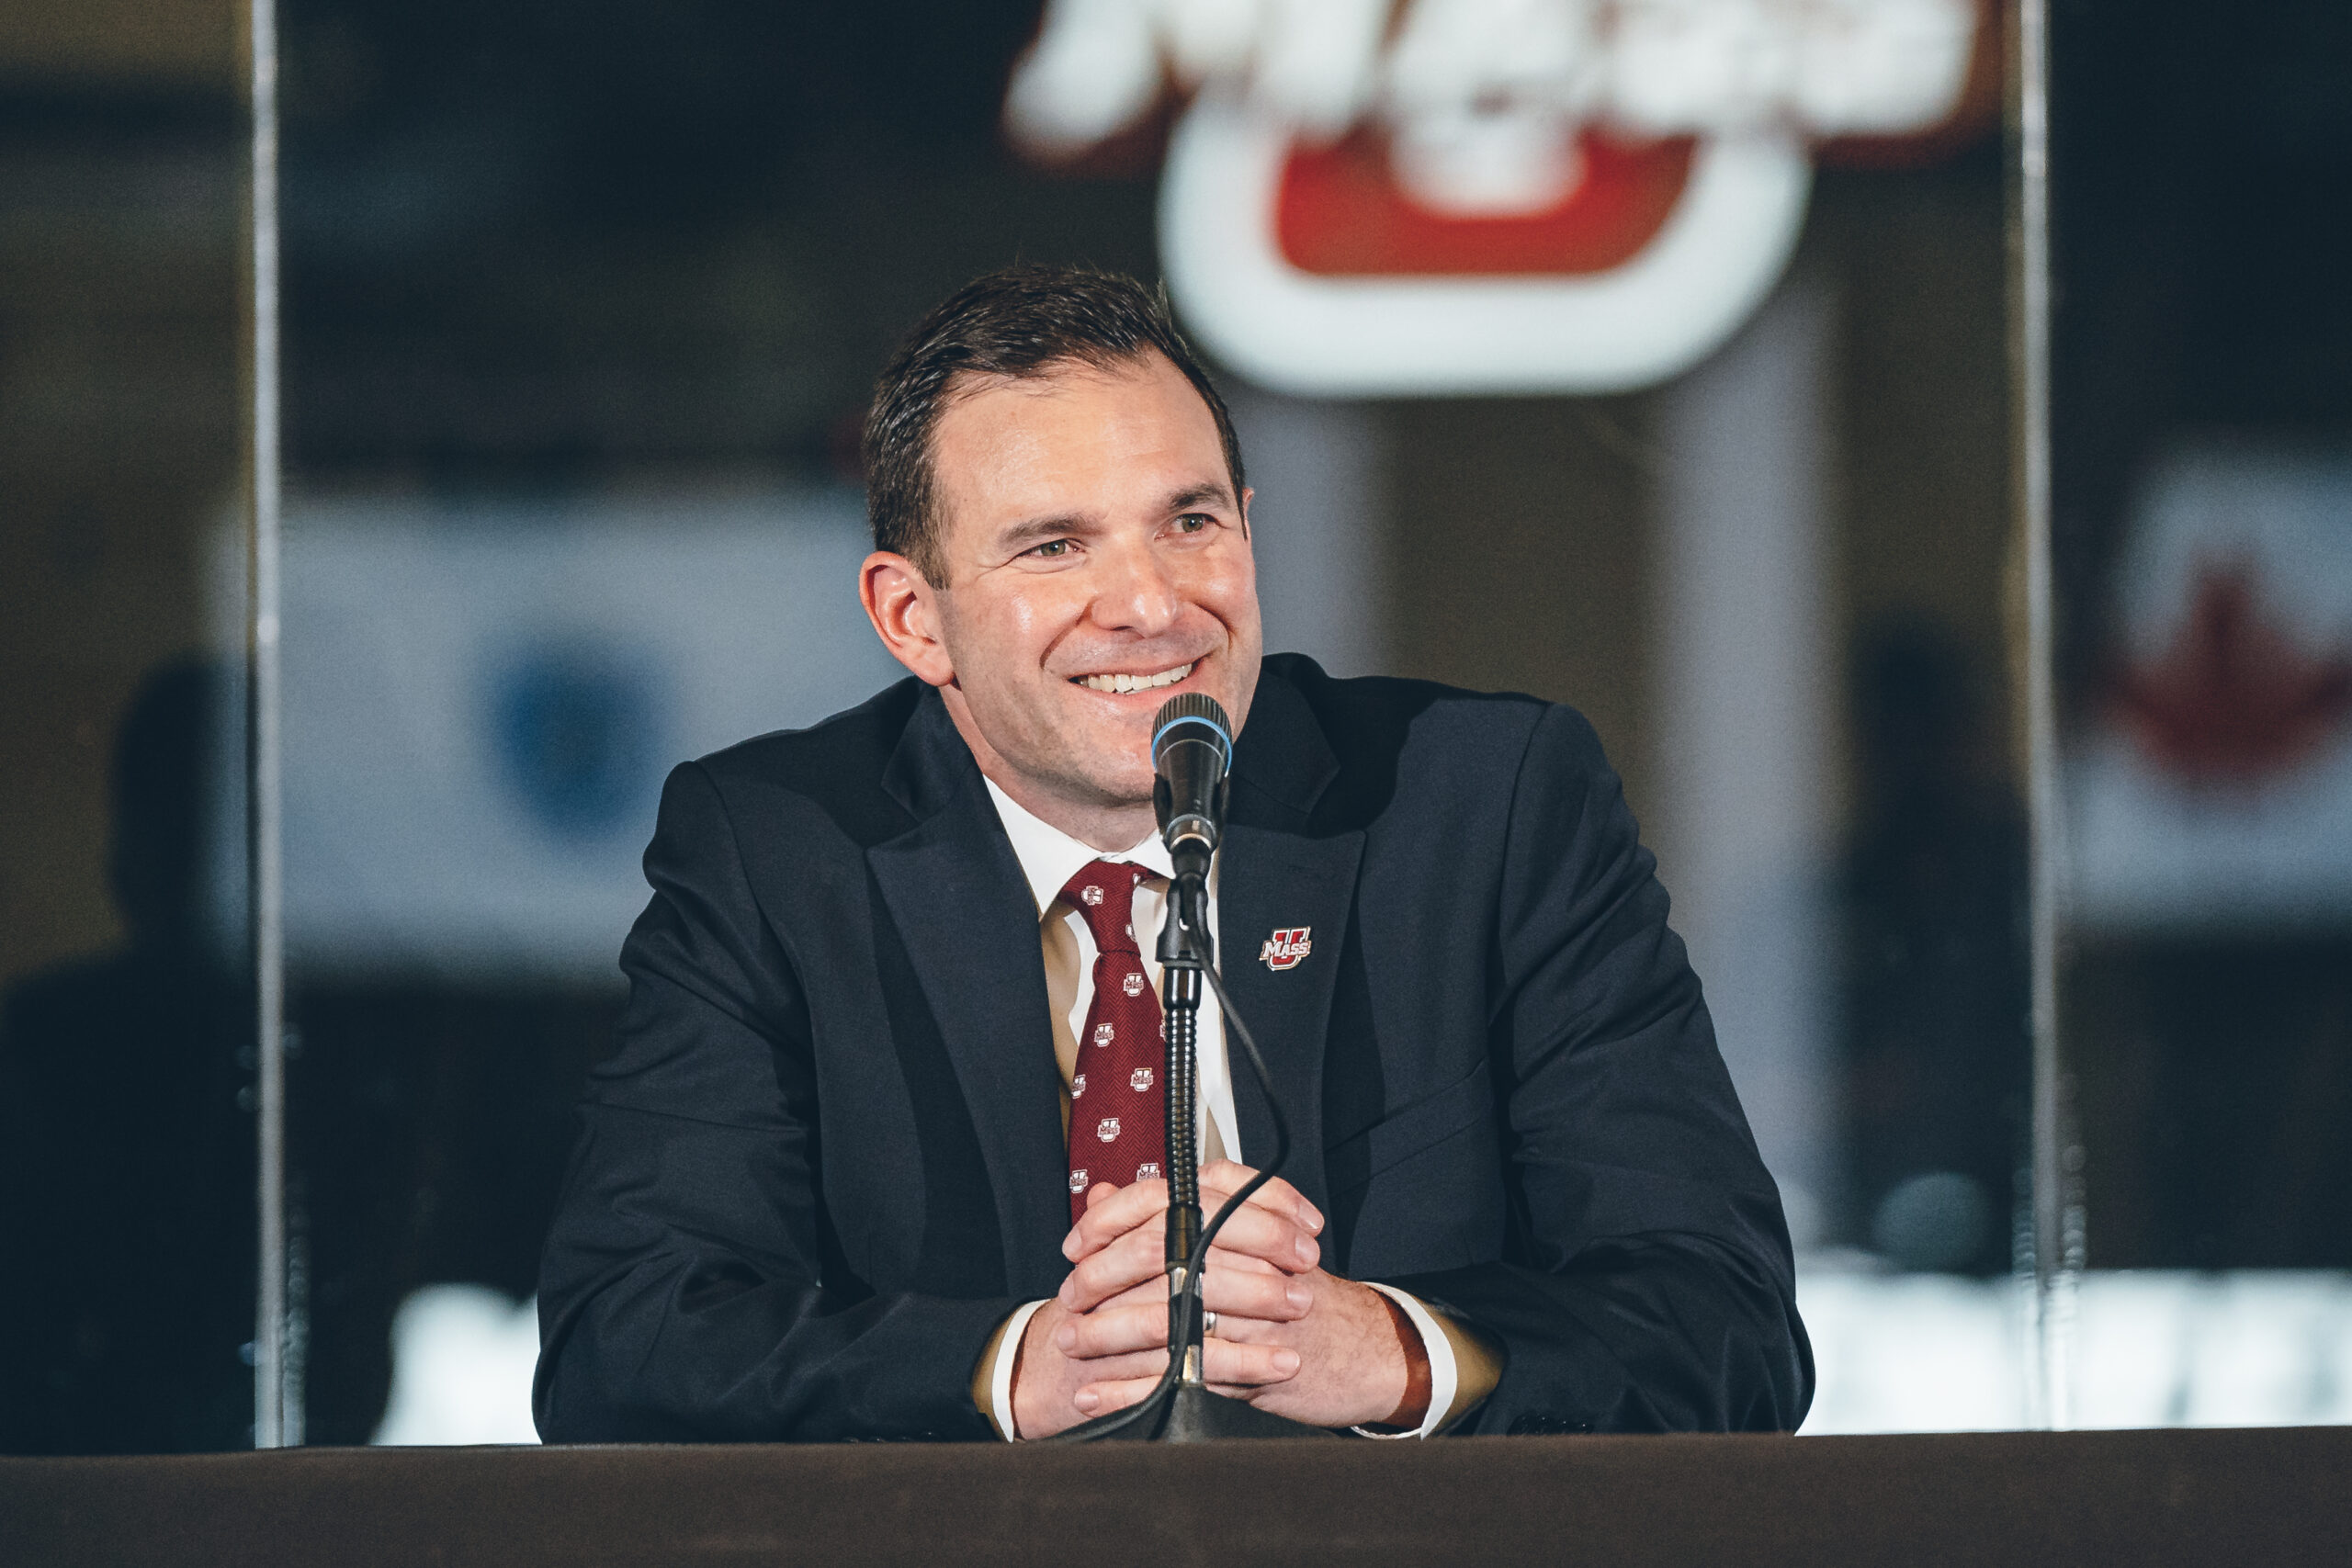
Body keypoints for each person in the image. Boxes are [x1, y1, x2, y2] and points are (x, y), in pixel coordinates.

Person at [534, 265, 1811, 1442]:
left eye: (1190, 522)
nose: (1151, 603)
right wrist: (1014, 1366)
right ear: (912, 618)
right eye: (1054, 545)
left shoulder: (1486, 807)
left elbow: (1729, 1329)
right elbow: (625, 1342)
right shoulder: (778, 853)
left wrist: (1399, 1355)